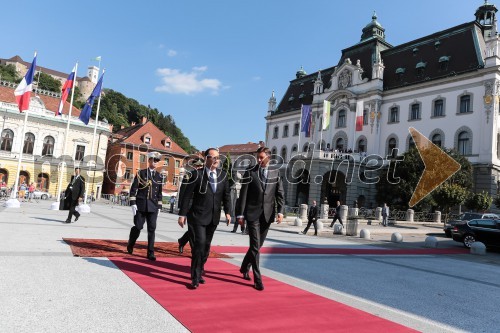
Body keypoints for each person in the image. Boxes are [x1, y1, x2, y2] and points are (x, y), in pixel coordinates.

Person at [178, 148, 231, 289]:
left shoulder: (223, 175)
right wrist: (182, 214)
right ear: (206, 159)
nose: (216, 160)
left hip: (213, 217)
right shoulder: (196, 174)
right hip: (197, 216)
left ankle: (200, 270)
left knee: (206, 248)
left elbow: (226, 195)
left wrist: (228, 212)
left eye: (218, 157)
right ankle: (195, 278)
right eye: (213, 157)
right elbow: (187, 196)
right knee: (199, 245)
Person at [237, 146, 285, 291]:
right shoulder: (250, 172)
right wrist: (240, 214)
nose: (258, 160)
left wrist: (281, 212)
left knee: (257, 246)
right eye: (257, 157)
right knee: (255, 246)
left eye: (261, 157)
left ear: (268, 157)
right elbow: (243, 195)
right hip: (252, 214)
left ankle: (245, 266)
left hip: (267, 215)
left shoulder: (276, 173)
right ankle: (258, 279)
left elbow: (280, 194)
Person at [126, 152, 163, 261]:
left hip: (153, 206)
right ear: (149, 160)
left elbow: (159, 193)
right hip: (141, 205)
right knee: (138, 227)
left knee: (152, 229)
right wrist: (133, 204)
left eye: (157, 160)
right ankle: (130, 243)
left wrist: (159, 206)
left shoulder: (159, 176)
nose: (156, 162)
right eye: (154, 160)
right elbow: (133, 189)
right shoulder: (141, 173)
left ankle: (150, 252)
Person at [177, 157, 204, 254]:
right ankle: (194, 251)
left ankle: (182, 241)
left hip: (200, 206)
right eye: (197, 166)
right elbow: (183, 191)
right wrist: (182, 208)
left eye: (200, 166)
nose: (199, 167)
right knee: (192, 228)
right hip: (189, 205)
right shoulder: (189, 175)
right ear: (194, 166)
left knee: (196, 229)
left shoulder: (204, 175)